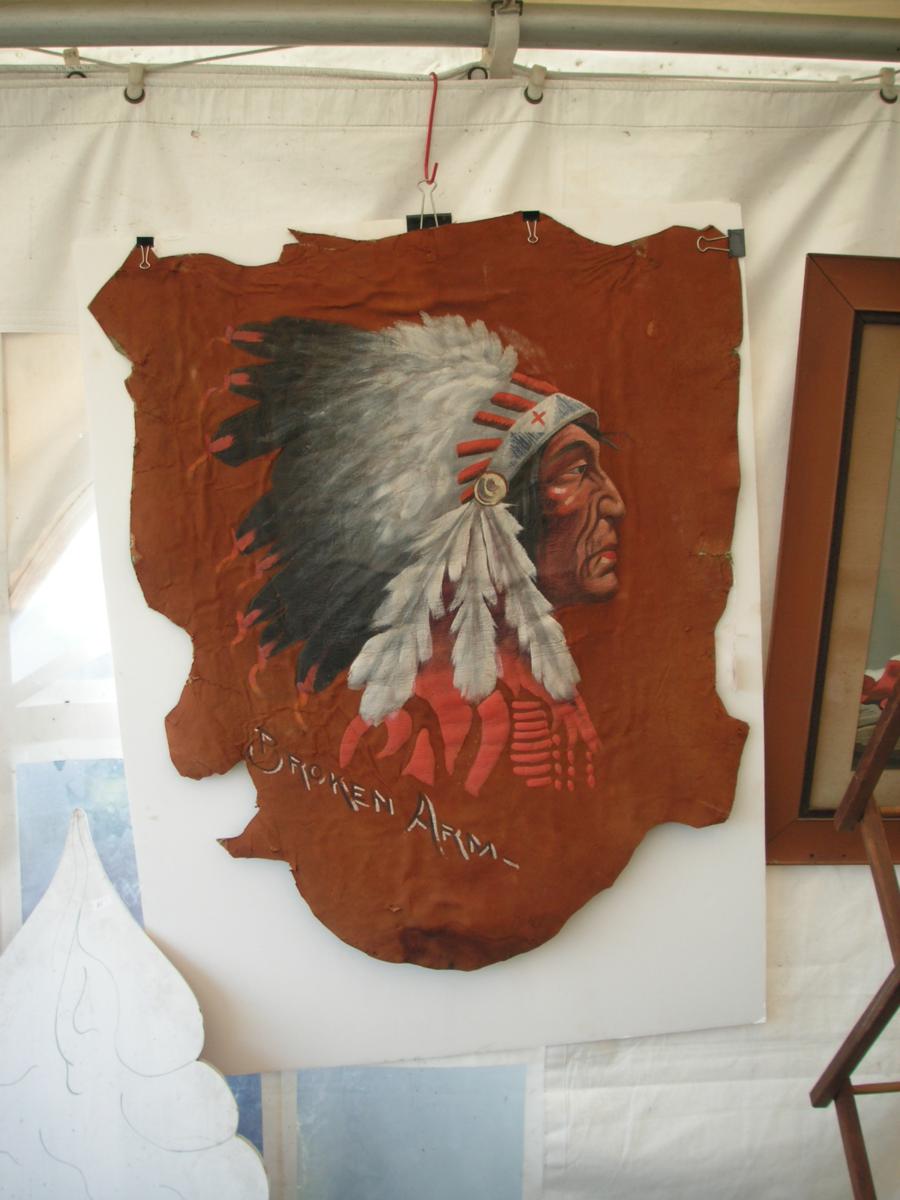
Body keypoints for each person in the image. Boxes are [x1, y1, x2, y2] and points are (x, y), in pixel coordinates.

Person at [213, 314, 625, 792]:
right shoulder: (415, 730)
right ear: (488, 516)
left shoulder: (542, 701)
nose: (615, 503)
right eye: (572, 472)